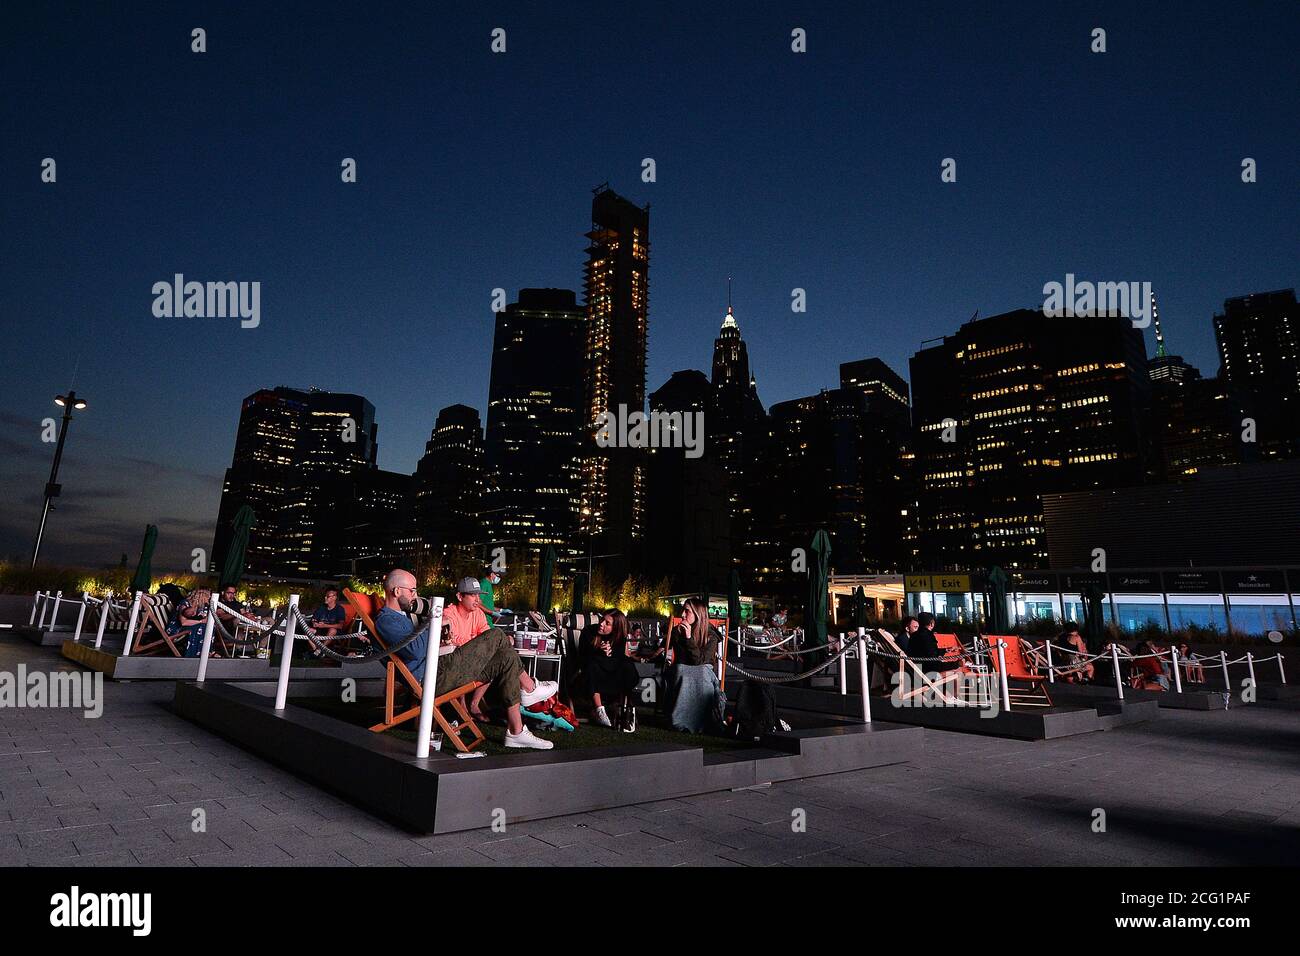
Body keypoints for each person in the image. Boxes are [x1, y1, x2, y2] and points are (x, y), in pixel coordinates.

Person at [373, 569, 556, 750]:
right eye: (412, 590)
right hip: (430, 678)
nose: (416, 595)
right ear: (397, 591)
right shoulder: (386, 620)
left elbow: (422, 646)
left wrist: (441, 636)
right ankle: (530, 688)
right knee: (497, 635)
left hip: (440, 668)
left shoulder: (404, 616)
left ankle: (516, 732)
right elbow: (416, 651)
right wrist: (435, 622)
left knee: (506, 657)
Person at [665, 597, 724, 733]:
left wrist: (689, 638)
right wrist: (685, 638)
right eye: (682, 611)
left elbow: (700, 661)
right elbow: (683, 659)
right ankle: (682, 720)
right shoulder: (677, 632)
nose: (682, 615)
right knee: (682, 670)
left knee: (701, 671)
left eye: (687, 611)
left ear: (698, 614)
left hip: (704, 671)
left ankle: (704, 721)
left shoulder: (711, 635)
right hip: (684, 669)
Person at [580, 609, 641, 729]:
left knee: (627, 664)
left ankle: (623, 706)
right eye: (602, 619)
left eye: (607, 623)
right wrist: (598, 651)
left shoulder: (619, 637)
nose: (601, 623)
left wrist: (609, 655)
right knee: (591, 663)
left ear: (615, 628)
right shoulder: (588, 631)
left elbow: (618, 660)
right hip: (591, 672)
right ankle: (599, 710)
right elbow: (582, 655)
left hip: (611, 673)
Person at [167, 588, 212, 658]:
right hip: (177, 630)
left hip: (188, 628)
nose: (209, 598)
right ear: (201, 596)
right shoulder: (184, 603)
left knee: (209, 626)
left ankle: (207, 651)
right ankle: (194, 654)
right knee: (201, 627)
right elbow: (183, 622)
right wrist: (201, 621)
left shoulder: (201, 606)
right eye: (208, 596)